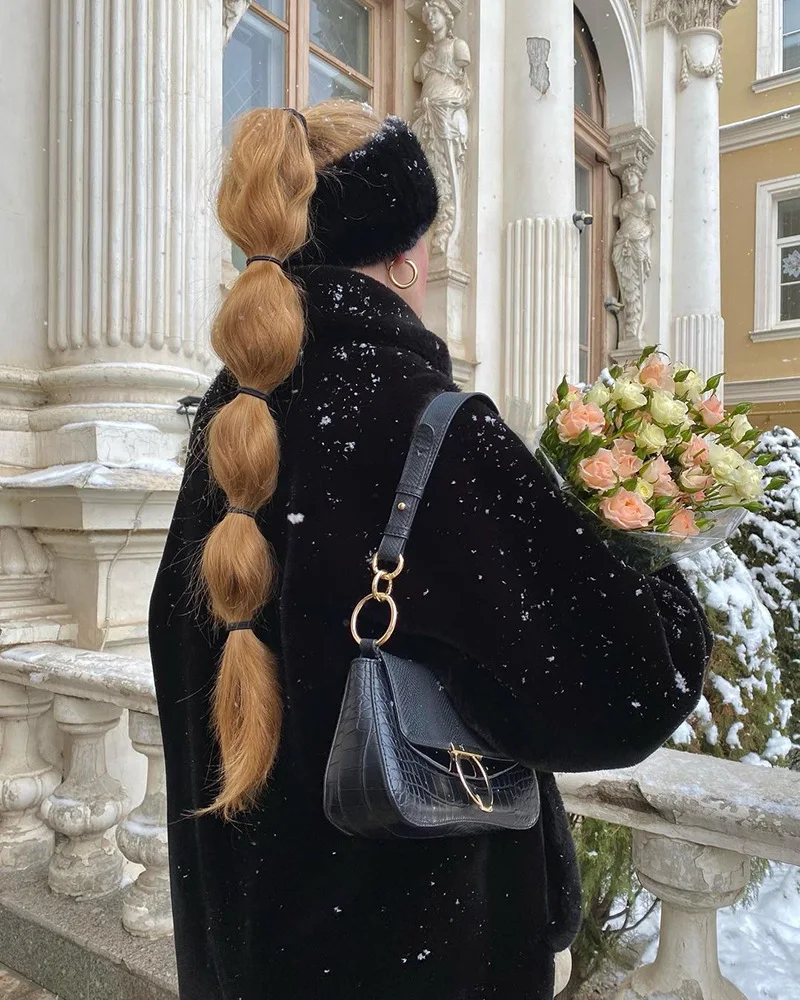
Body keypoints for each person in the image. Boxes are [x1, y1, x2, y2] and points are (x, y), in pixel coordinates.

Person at [149, 100, 712, 1000]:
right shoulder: (436, 429)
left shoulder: (231, 426)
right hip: (413, 956)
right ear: (411, 256)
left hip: (246, 952)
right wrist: (657, 569)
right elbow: (621, 687)